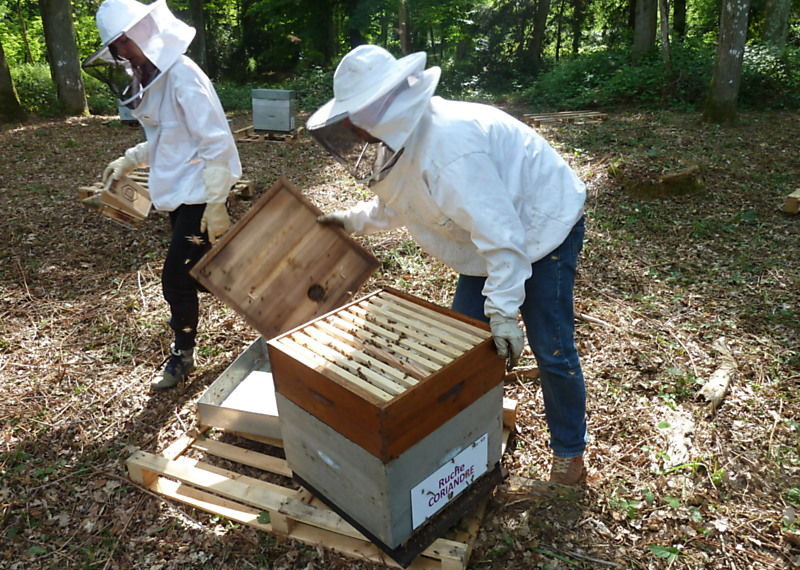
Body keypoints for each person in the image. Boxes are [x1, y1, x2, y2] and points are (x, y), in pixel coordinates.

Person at [308, 45, 588, 485]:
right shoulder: (399, 144)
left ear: (382, 105)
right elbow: (401, 202)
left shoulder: (451, 149)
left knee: (551, 348)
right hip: (490, 236)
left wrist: (503, 313)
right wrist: (352, 220)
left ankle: (569, 455)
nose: (353, 130)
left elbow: (505, 240)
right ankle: (473, 439)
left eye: (356, 117)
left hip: (542, 225)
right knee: (464, 345)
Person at [83, 0, 242, 391]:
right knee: (204, 273)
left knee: (176, 277)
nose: (121, 54)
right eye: (115, 47)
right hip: (179, 194)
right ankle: (271, 307)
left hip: (201, 194)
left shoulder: (183, 75)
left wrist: (217, 202)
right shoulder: (154, 80)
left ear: (144, 34)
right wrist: (129, 159)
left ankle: (183, 353)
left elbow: (215, 141)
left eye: (123, 43)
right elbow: (165, 138)